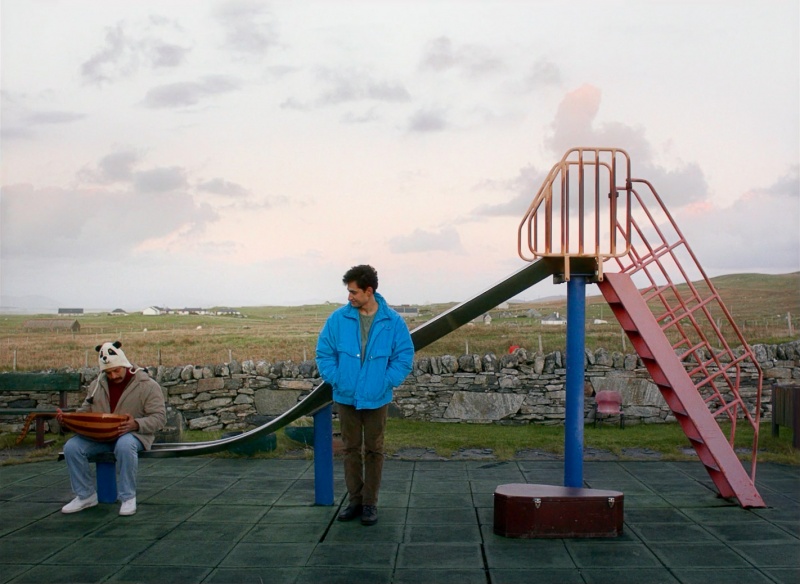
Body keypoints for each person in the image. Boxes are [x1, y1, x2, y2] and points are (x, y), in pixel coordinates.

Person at [316, 265, 414, 526]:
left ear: (368, 291)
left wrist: (386, 382)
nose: (349, 297)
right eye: (348, 291)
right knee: (350, 450)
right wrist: (337, 379)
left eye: (353, 292)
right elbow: (324, 353)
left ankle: (370, 503)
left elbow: (404, 356)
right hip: (346, 397)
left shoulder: (393, 321)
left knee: (374, 450)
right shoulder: (337, 319)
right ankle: (355, 502)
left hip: (377, 398)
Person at [58, 341, 166, 516]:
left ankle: (128, 497)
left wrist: (136, 424)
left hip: (133, 434)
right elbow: (85, 412)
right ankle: (85, 495)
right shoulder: (96, 386)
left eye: (116, 370)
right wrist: (68, 420)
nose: (113, 375)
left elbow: (159, 418)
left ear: (125, 365)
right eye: (108, 372)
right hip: (100, 436)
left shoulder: (148, 385)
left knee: (124, 445)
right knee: (72, 447)